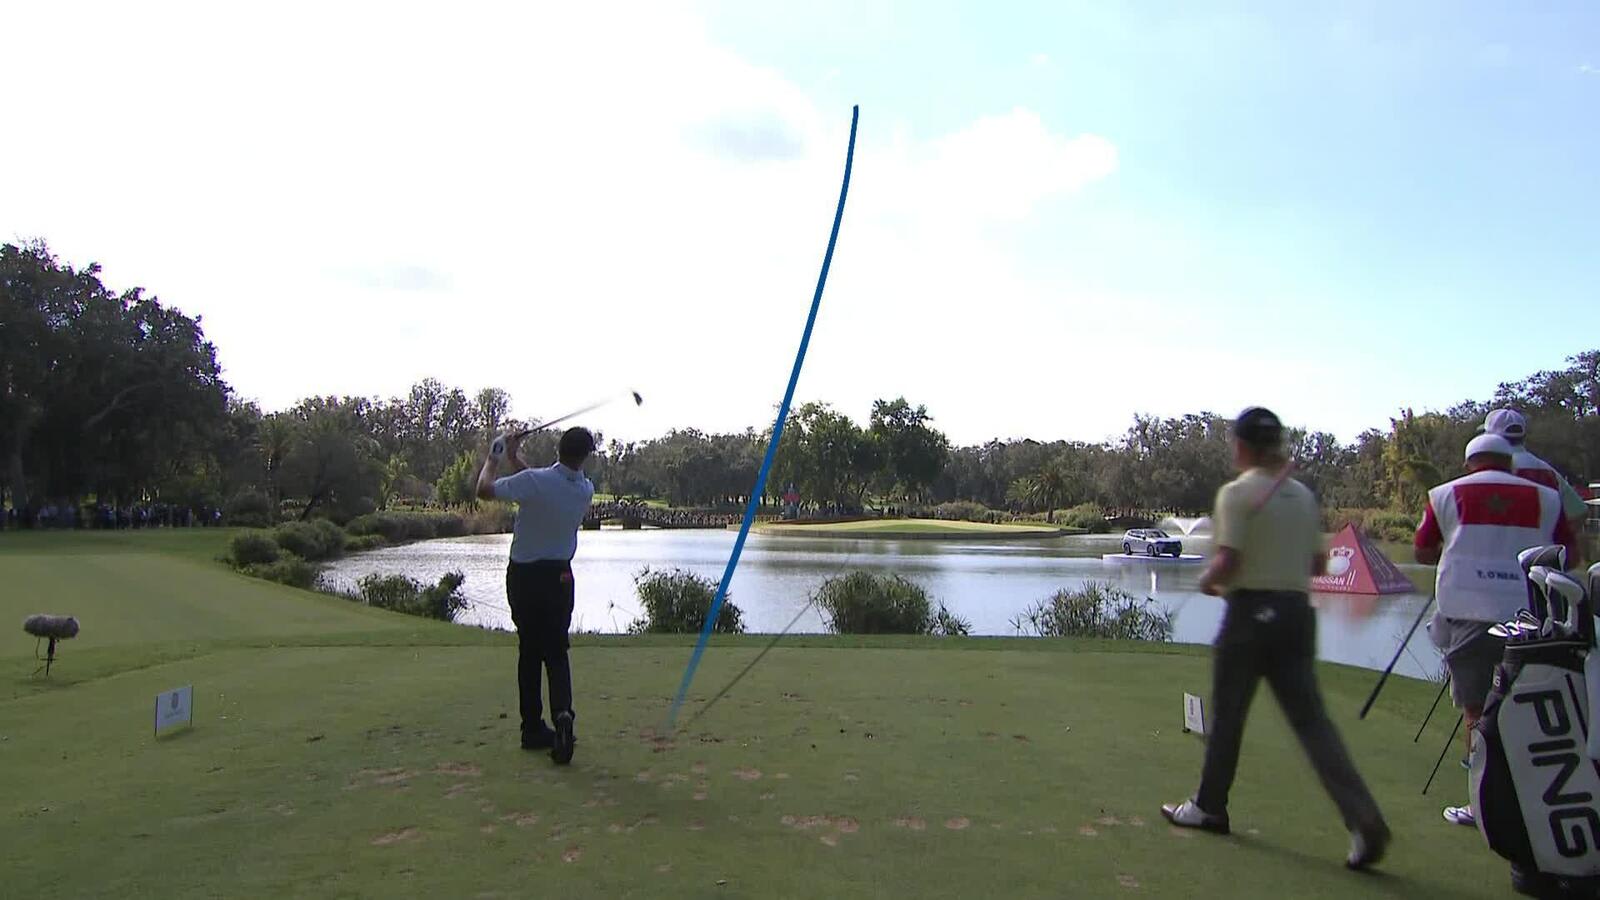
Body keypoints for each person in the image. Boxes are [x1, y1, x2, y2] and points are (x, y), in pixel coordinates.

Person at [1161, 407, 1390, 870]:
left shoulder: (1237, 494)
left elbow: (1226, 564)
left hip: (1249, 616)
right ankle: (1362, 817)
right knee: (1313, 725)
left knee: (1228, 719)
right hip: (1296, 617)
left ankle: (1209, 807)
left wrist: (1207, 581)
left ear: (1242, 446)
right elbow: (1319, 567)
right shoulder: (1302, 496)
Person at [1414, 432, 1576, 827]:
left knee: (1476, 709)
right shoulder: (1546, 497)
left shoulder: (1444, 494)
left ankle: (1482, 804)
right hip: (1531, 614)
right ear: (1510, 462)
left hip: (1466, 609)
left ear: (1470, 461)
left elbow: (1422, 550)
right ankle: (1532, 801)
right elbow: (1569, 557)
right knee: (1527, 705)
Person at [476, 425, 596, 764]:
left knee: (530, 651)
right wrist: (516, 458)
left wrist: (495, 457)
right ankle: (563, 716)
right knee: (557, 651)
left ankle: (532, 729)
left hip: (525, 576)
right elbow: (541, 486)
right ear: (585, 456)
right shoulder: (585, 489)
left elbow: (484, 490)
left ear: (557, 449)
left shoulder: (537, 482)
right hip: (560, 577)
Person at [1480, 408, 1588, 537]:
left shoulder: (1489, 469)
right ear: (1523, 436)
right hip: (1539, 553)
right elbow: (1578, 513)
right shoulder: (1547, 472)